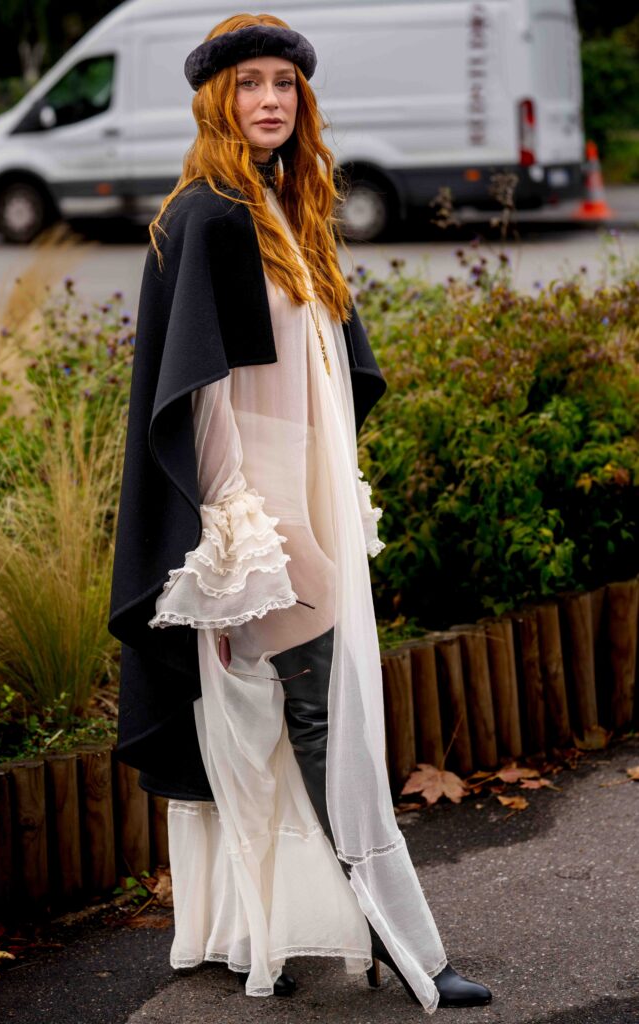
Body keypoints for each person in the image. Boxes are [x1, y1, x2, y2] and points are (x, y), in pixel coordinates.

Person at [108, 12, 492, 1014]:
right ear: (214, 100)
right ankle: (416, 950)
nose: (270, 99)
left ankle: (251, 934)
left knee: (295, 729)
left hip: (307, 503)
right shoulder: (212, 216)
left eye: (284, 82)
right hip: (263, 517)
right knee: (332, 729)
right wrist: (244, 542)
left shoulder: (288, 206)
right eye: (249, 85)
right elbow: (205, 398)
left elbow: (320, 373)